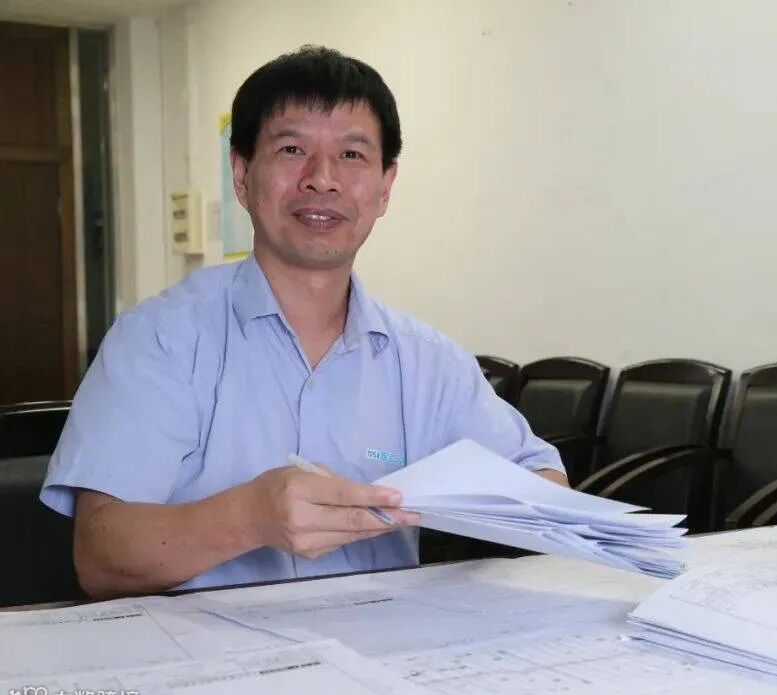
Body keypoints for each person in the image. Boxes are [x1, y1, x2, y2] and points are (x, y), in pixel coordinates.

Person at [40, 46, 566, 599]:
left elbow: (544, 482)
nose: (322, 179)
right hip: (204, 648)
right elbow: (101, 557)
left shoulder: (427, 361)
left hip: (381, 644)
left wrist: (479, 502)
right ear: (241, 174)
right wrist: (250, 516)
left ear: (385, 186)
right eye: (292, 150)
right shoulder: (159, 340)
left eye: (352, 155)